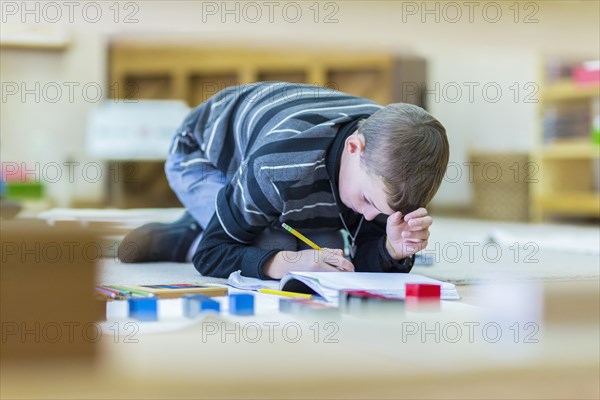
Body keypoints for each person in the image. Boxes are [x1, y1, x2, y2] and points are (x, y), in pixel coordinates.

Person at [118, 82, 449, 280]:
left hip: (281, 172)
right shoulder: (279, 166)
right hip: (203, 155)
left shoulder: (389, 165)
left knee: (331, 259)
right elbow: (213, 254)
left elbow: (362, 256)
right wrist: (288, 262)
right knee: (278, 249)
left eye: (380, 211)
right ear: (353, 147)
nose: (367, 217)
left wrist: (392, 247)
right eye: (367, 201)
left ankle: (234, 212)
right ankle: (186, 234)